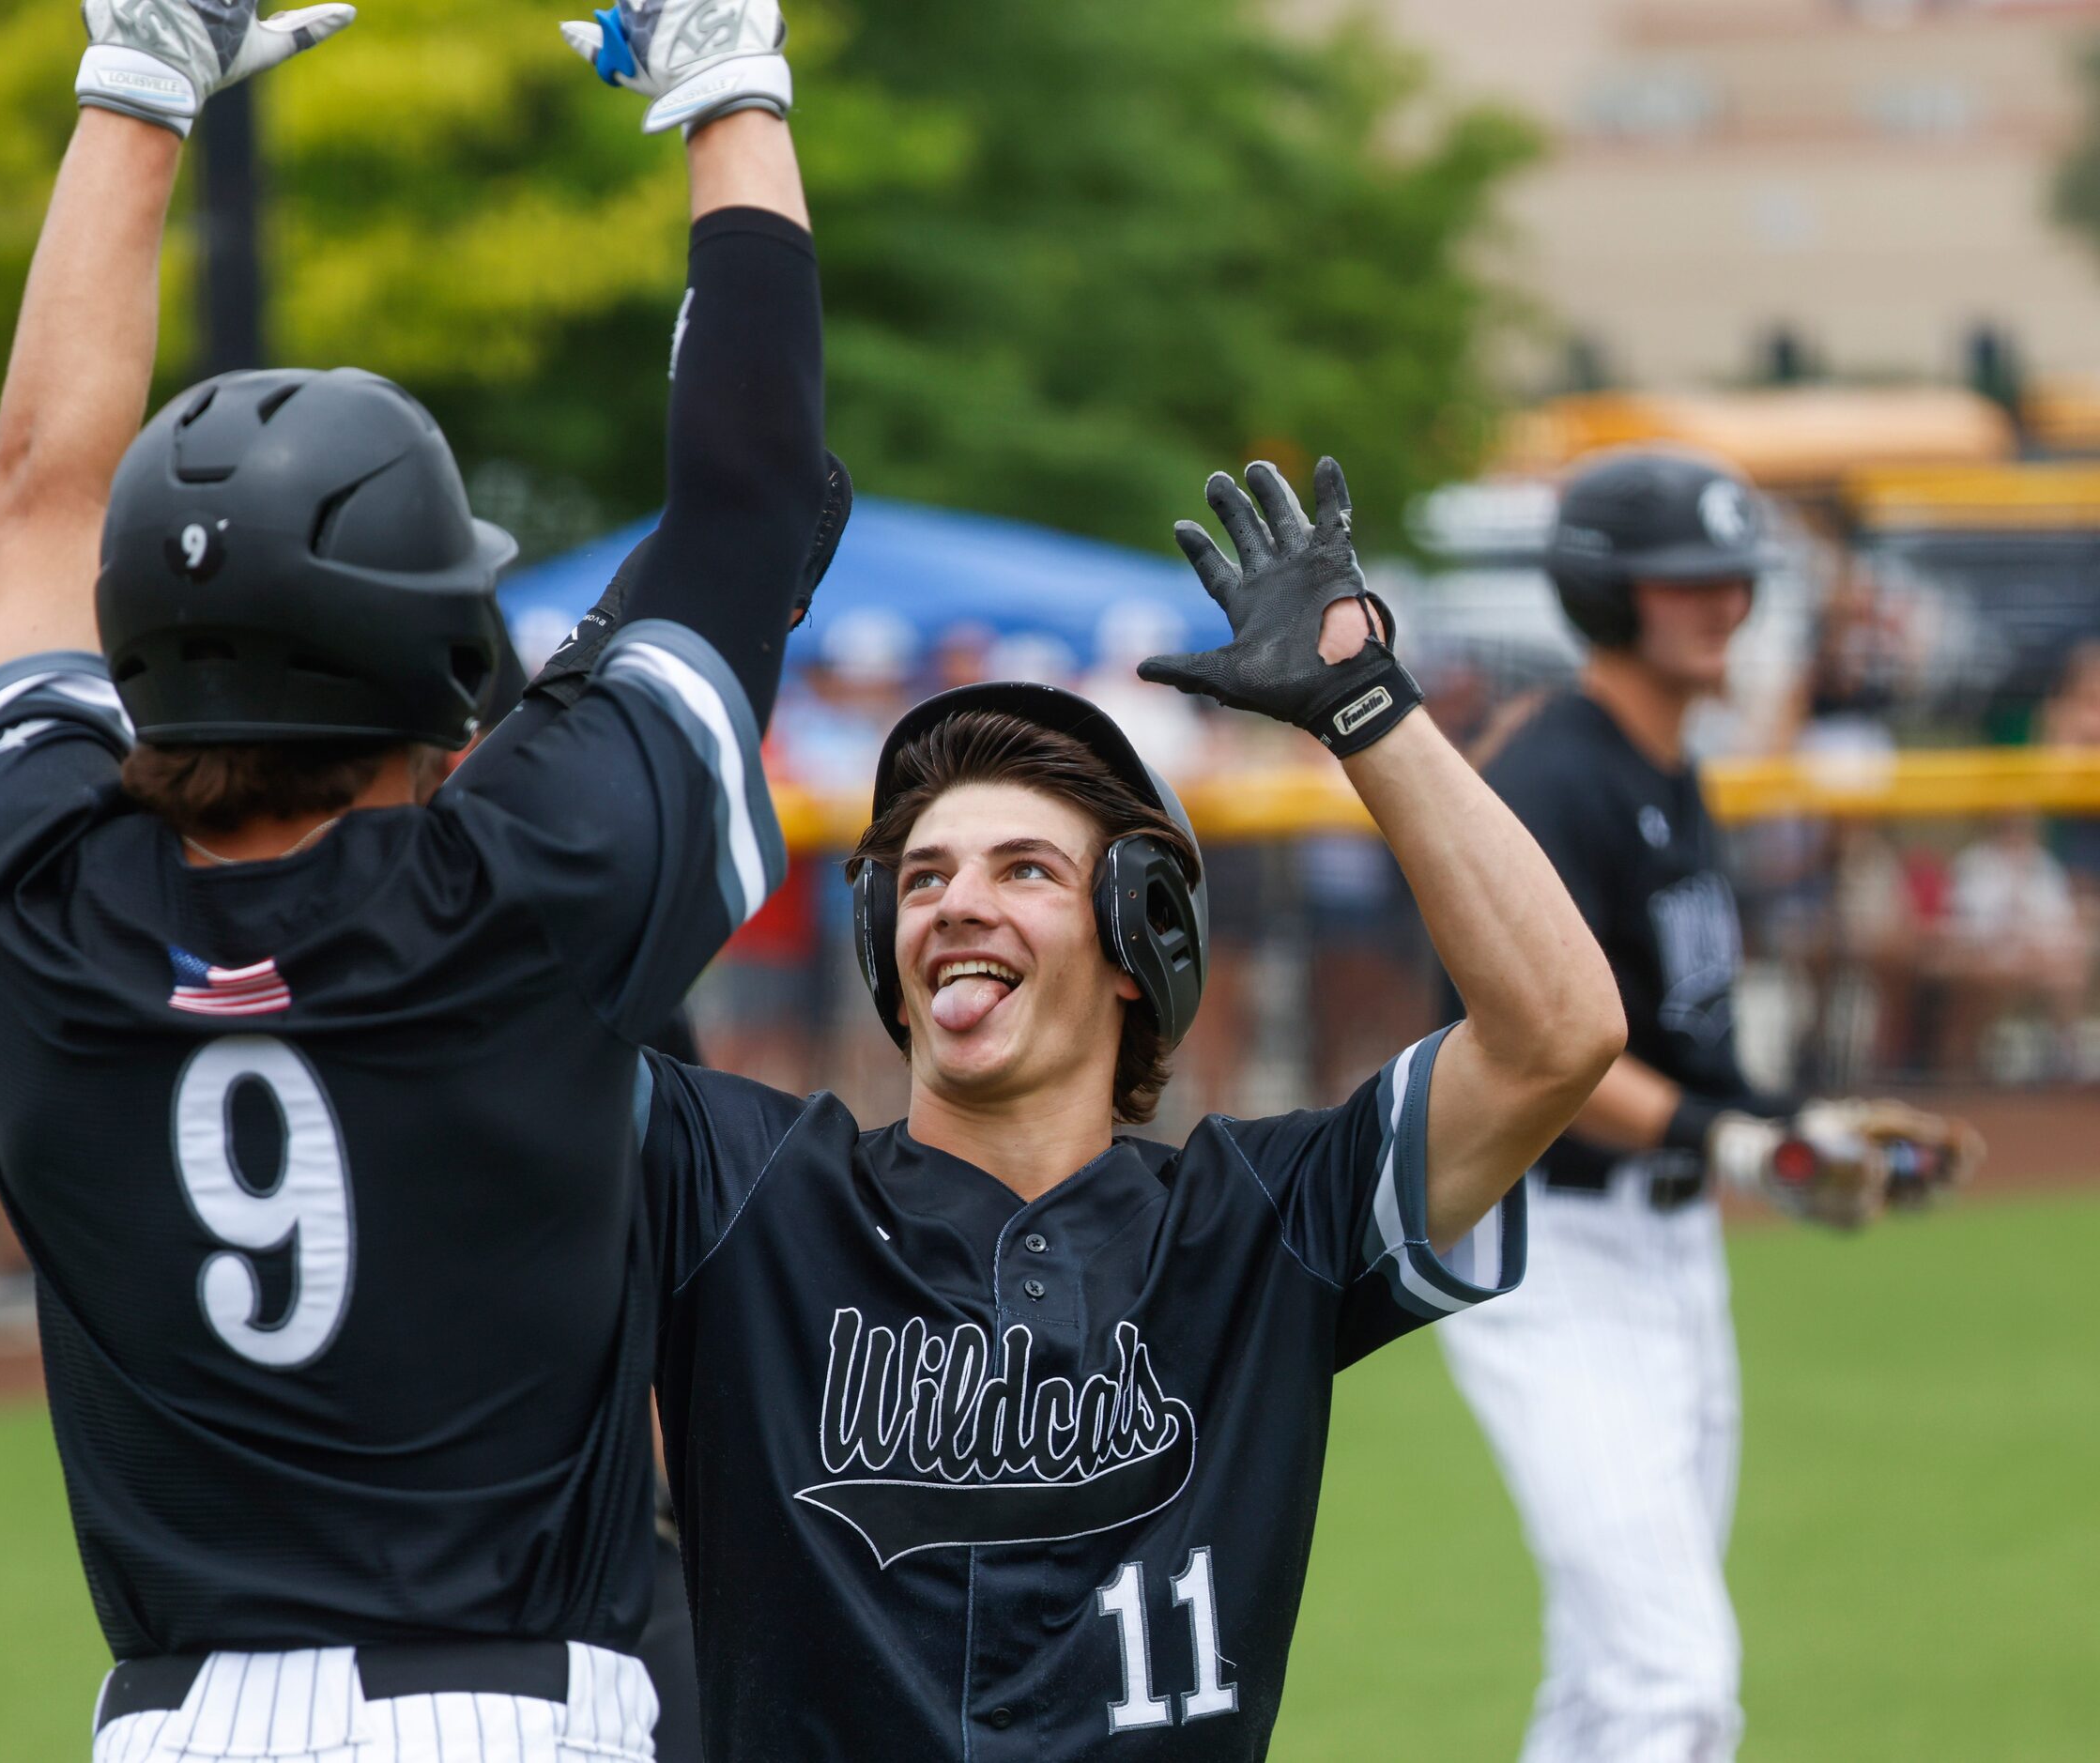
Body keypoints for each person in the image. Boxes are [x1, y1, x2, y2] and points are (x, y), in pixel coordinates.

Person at [0, 1, 821, 1757]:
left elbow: (37, 494)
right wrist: (730, 80)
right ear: (436, 657)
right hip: (511, 1710)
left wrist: (139, 81)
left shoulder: (28, 893)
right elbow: (748, 503)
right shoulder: (525, 886)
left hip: (175, 1722)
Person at [632, 459, 1627, 1760]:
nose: (957, 902)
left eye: (1025, 868)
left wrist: (1368, 707)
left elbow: (1562, 1032)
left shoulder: (1258, 1226)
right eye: (921, 876)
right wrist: (670, 644)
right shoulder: (748, 1188)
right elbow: (488, 1029)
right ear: (884, 939)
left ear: (1132, 937)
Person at [1436, 448, 1985, 1763]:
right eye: (1686, 578)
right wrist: (1735, 1138)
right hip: (1547, 1249)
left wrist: (1803, 1124)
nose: (1724, 602)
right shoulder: (1552, 775)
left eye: (1734, 575)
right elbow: (1527, 1040)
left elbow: (1687, 1048)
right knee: (1669, 1674)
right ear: (1605, 590)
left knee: (1606, 1674)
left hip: (1665, 1248)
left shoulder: (1668, 767)